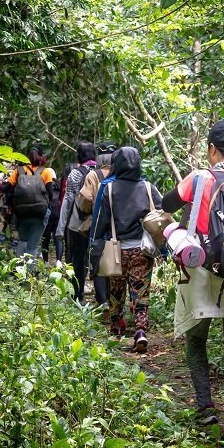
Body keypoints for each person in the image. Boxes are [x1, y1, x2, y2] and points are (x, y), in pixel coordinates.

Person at [160, 120, 224, 441]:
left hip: (199, 267)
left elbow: (167, 204)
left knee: (196, 340)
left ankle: (205, 406)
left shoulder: (200, 178)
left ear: (212, 149)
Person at [92, 146, 162, 352]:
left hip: (116, 249)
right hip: (143, 249)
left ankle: (116, 327)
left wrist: (94, 251)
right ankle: (140, 331)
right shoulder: (148, 187)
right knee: (140, 291)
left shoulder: (109, 189)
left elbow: (99, 223)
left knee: (115, 290)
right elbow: (161, 217)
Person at [75, 141, 116, 308]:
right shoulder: (121, 174)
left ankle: (103, 300)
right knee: (115, 260)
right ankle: (114, 299)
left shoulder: (93, 175)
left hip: (98, 222)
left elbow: (85, 201)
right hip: (119, 225)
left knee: (98, 261)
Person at [56, 142, 98, 301]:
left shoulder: (74, 174)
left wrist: (61, 228)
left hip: (77, 223)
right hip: (97, 222)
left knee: (77, 259)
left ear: (79, 155)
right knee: (95, 257)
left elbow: (68, 201)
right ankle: (102, 296)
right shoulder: (100, 172)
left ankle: (77, 294)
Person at [2, 145, 56, 259]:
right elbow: (51, 193)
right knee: (33, 246)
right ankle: (29, 274)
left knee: (23, 241)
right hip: (39, 214)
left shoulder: (19, 171)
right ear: (41, 157)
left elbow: (6, 189)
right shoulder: (45, 172)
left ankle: (19, 271)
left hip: (22, 213)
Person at [40, 173, 63, 264]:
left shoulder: (44, 185)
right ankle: (59, 261)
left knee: (45, 237)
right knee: (58, 237)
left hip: (48, 212)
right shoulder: (59, 185)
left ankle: (45, 261)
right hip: (58, 211)